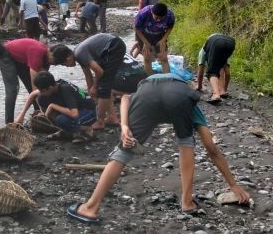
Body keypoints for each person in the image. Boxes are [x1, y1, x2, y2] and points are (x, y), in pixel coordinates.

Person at [66, 73, 251, 224]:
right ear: (190, 87)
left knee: (124, 149)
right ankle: (187, 202)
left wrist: (124, 127)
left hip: (147, 96)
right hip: (177, 98)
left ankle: (90, 207)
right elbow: (211, 149)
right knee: (186, 143)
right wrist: (233, 184)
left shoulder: (149, 83)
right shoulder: (188, 98)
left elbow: (125, 98)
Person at [0, 38, 64, 124]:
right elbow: (36, 89)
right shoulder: (38, 53)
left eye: (56, 63)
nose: (53, 63)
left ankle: (38, 113)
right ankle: (9, 122)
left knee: (35, 85)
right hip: (5, 53)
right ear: (51, 53)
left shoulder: (47, 59)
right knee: (12, 89)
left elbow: (40, 83)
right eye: (54, 61)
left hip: (20, 58)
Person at [60, 33, 126, 130]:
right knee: (104, 86)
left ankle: (100, 121)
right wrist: (91, 94)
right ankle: (113, 117)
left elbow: (99, 71)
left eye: (65, 64)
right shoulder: (77, 55)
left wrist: (95, 87)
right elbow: (88, 75)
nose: (68, 67)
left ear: (68, 58)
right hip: (108, 48)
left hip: (113, 46)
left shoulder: (79, 54)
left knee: (104, 87)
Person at [14, 71, 96, 143]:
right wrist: (21, 115)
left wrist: (52, 106)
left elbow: (74, 114)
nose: (40, 92)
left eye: (42, 90)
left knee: (61, 120)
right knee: (41, 98)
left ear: (50, 88)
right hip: (76, 109)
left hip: (88, 112)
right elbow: (33, 94)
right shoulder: (54, 85)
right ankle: (66, 131)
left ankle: (88, 131)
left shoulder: (65, 90)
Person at [134, 3, 175, 74]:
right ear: (151, 12)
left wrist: (163, 39)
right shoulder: (144, 13)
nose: (158, 20)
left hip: (159, 34)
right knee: (147, 59)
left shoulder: (169, 15)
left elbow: (170, 27)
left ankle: (168, 79)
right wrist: (145, 42)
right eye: (156, 18)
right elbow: (137, 29)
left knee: (163, 58)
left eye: (161, 18)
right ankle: (150, 79)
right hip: (143, 34)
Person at [196, 33, 236, 104]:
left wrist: (199, 86)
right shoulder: (219, 39)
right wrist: (225, 90)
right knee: (221, 66)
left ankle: (216, 94)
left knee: (212, 72)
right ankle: (222, 91)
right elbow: (227, 71)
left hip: (217, 42)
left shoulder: (203, 50)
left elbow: (201, 70)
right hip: (231, 43)